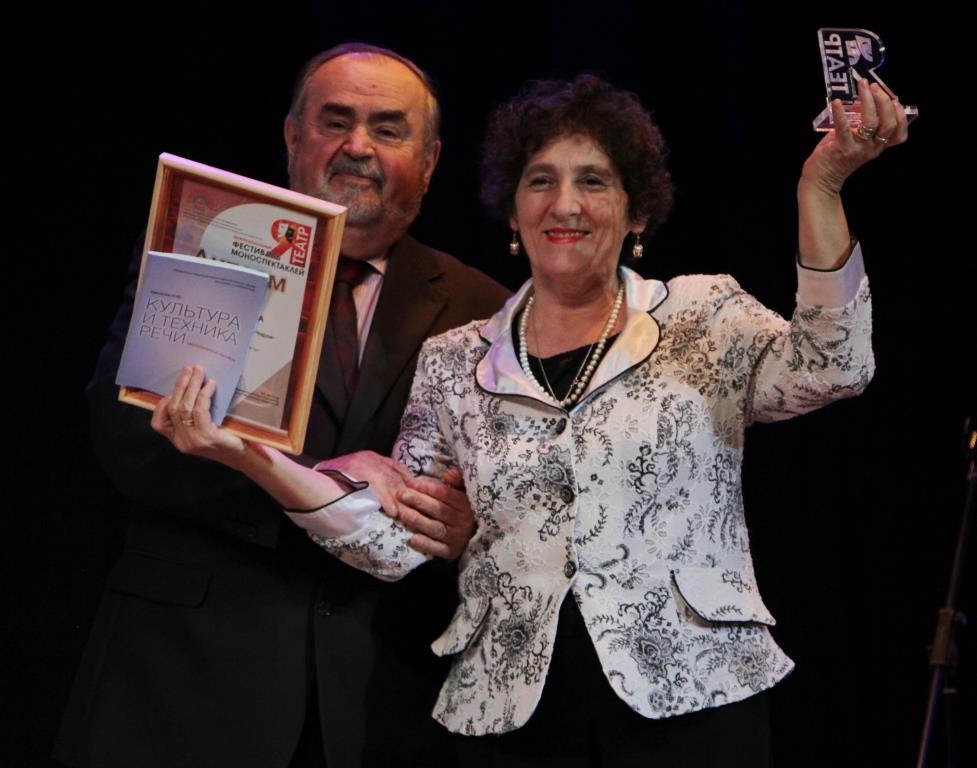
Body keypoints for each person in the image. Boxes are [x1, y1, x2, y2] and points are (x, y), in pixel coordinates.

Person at [155, 73, 907, 765]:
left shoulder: (703, 315)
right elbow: (392, 541)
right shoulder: (454, 359)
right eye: (540, 180)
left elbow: (832, 367)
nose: (565, 204)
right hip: (510, 719)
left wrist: (820, 186)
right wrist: (246, 454)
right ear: (512, 211)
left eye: (593, 181)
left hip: (692, 699)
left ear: (636, 210)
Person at [54, 44, 509, 768]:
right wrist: (317, 481)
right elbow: (126, 438)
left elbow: (496, 502)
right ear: (294, 137)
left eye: (388, 129)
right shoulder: (205, 245)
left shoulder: (482, 306)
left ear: (429, 161)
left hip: (378, 702)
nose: (357, 146)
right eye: (336, 121)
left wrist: (463, 525)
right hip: (182, 683)